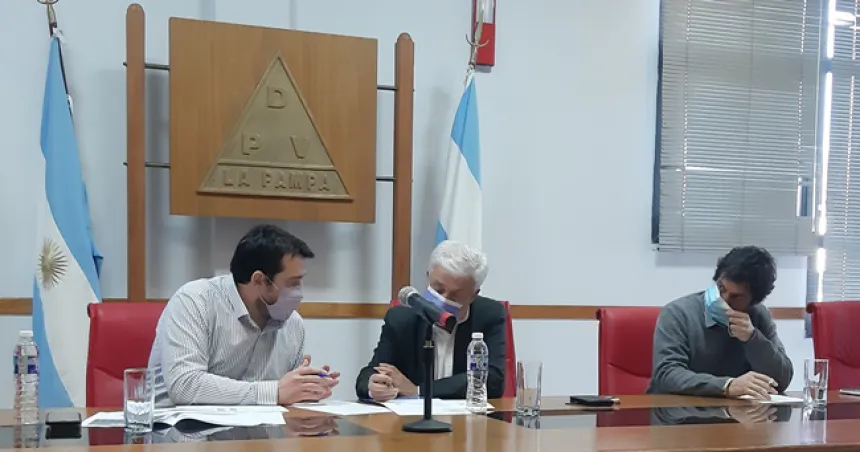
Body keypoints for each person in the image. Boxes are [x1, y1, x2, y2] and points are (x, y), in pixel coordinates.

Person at [148, 224, 340, 407]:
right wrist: (273, 392)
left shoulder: (293, 324)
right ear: (259, 280)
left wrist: (306, 389)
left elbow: (284, 395)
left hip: (255, 428)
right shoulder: (195, 301)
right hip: (175, 427)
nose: (300, 293)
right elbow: (184, 385)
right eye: (292, 283)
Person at [355, 240, 507, 401]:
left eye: (456, 295)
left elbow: (493, 379)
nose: (443, 300)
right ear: (428, 278)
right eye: (438, 289)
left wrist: (419, 390)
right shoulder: (401, 318)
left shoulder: (489, 315)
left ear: (474, 295)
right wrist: (373, 387)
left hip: (467, 415)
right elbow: (372, 371)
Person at [647, 245, 793, 400]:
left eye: (736, 296)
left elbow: (781, 380)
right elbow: (666, 374)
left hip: (737, 412)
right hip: (676, 410)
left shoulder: (759, 316)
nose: (723, 299)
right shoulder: (677, 313)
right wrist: (727, 385)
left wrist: (753, 339)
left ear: (754, 301)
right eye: (721, 288)